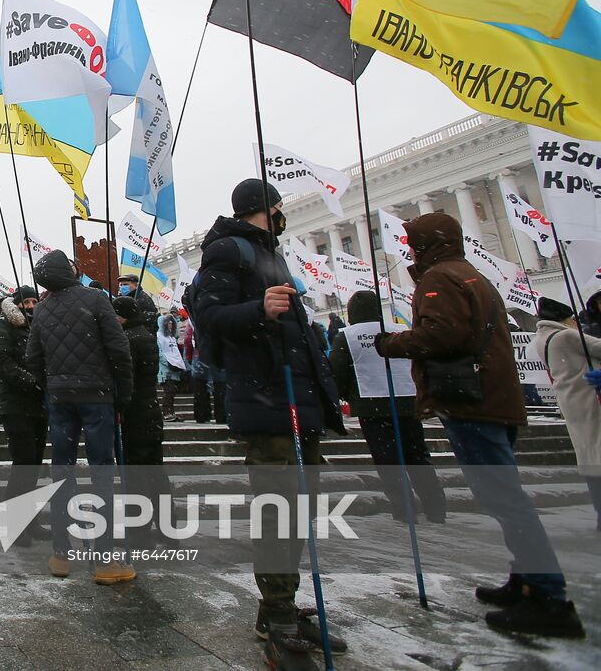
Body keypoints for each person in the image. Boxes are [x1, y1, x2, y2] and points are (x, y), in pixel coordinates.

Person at [376, 214, 583, 638]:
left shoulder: (438, 279)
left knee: (505, 500)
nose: (408, 250)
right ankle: (526, 578)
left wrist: (391, 343)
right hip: (494, 399)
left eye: (411, 242)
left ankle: (549, 597)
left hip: (473, 403)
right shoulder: (471, 275)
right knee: (506, 496)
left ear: (426, 244)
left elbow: (440, 336)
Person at [191, 179, 346, 667]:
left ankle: (277, 605)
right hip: (269, 400)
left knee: (298, 508)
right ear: (267, 209)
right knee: (280, 509)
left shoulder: (269, 253)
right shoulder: (229, 252)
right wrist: (259, 309)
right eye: (279, 209)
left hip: (296, 401)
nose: (283, 216)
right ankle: (279, 613)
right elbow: (209, 317)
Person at [24, 251, 134, 585]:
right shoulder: (96, 299)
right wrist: (123, 395)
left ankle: (61, 554)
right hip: (97, 396)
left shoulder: (42, 309)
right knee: (101, 474)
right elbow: (119, 349)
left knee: (62, 472)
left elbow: (33, 358)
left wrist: (53, 385)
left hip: (60, 400)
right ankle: (104, 560)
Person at [327, 290, 446, 524]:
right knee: (418, 456)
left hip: (371, 404)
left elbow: (338, 371)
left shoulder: (347, 336)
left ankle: (404, 509)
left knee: (388, 460)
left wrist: (342, 395)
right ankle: (435, 507)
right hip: (407, 399)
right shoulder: (398, 328)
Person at [529, 297, 601, 530]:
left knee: (588, 455)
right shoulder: (566, 336)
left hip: (570, 400)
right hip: (590, 395)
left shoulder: (541, 339)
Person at [0, 289, 49, 540]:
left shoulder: (39, 326)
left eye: (35, 301)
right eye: (26, 301)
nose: (32, 306)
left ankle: (29, 521)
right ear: (16, 303)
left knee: (34, 463)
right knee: (23, 463)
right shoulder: (3, 325)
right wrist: (30, 381)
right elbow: (1, 361)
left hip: (39, 404)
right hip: (16, 403)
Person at [113, 291, 171, 548]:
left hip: (134, 414)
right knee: (156, 473)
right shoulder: (147, 335)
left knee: (135, 475)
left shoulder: (126, 340)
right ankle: (169, 530)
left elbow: (125, 377)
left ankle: (139, 533)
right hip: (150, 411)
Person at [156, 313, 186, 422]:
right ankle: (166, 412)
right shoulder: (159, 336)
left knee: (172, 392)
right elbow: (159, 353)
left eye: (171, 323)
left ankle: (170, 412)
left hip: (174, 368)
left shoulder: (171, 337)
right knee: (169, 391)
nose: (170, 325)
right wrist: (167, 363)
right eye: (168, 323)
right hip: (166, 369)